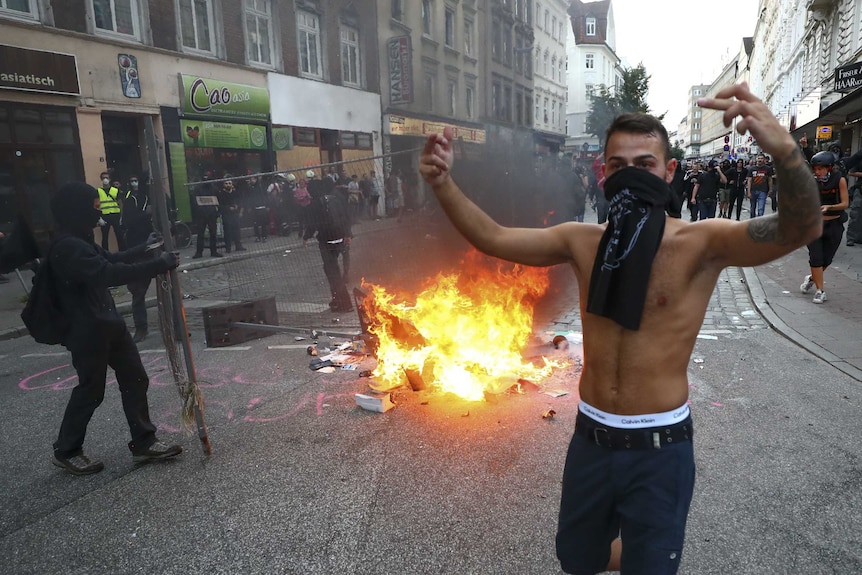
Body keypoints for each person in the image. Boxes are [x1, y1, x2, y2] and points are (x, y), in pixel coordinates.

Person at [419, 82, 822, 574]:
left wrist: (784, 150)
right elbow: (493, 236)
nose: (630, 176)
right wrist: (443, 183)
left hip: (658, 446)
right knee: (577, 558)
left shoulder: (703, 242)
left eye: (645, 165)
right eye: (617, 166)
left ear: (669, 171)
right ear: (602, 171)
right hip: (592, 436)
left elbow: (801, 229)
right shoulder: (583, 241)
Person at [47, 182, 183, 475]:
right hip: (86, 329)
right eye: (94, 207)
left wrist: (145, 249)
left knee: (135, 378)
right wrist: (157, 264)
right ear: (76, 210)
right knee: (91, 390)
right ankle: (67, 449)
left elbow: (110, 259)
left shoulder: (81, 239)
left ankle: (144, 441)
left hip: (108, 323)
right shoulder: (66, 246)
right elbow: (107, 273)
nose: (98, 214)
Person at [799, 151, 850, 304]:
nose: (817, 172)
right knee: (816, 259)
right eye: (815, 169)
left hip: (834, 225)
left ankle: (812, 278)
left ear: (829, 167)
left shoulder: (839, 180)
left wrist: (830, 207)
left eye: (821, 168)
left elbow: (845, 204)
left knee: (826, 260)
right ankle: (820, 291)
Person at [303, 177, 353, 313]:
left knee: (333, 272)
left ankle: (345, 303)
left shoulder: (315, 204)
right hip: (340, 239)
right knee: (331, 270)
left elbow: (312, 224)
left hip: (326, 241)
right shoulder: (335, 199)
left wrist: (306, 237)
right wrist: (347, 234)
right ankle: (336, 300)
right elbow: (346, 217)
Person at [121, 174, 156, 343]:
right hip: (139, 249)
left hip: (158, 247)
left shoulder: (157, 197)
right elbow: (127, 221)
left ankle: (177, 326)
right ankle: (141, 328)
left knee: (170, 290)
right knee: (138, 291)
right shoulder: (133, 199)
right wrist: (145, 214)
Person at [191, 172, 223, 259]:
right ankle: (199, 252)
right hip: (202, 215)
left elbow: (219, 201)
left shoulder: (214, 189)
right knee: (201, 233)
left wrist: (218, 212)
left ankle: (213, 251)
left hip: (211, 214)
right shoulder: (198, 189)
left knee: (213, 233)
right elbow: (194, 202)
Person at [97, 171, 124, 251]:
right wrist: (98, 217)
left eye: (107, 178)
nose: (105, 180)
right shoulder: (98, 191)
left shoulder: (115, 190)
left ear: (110, 179)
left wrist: (121, 217)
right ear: (101, 179)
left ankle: (123, 253)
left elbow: (120, 204)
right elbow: (96, 205)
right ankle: (105, 254)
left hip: (115, 215)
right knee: (104, 238)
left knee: (119, 236)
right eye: (103, 178)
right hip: (104, 216)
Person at [218, 176, 245, 253]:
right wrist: (228, 208)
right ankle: (228, 248)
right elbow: (220, 206)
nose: (228, 185)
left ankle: (238, 246)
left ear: (232, 184)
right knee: (227, 232)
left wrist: (238, 207)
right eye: (226, 183)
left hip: (235, 214)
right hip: (226, 215)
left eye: (229, 183)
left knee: (237, 230)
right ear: (223, 185)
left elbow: (240, 202)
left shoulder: (235, 193)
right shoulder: (221, 194)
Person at [747, 153, 773, 217]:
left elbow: (770, 179)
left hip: (763, 190)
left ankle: (759, 223)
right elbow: (749, 180)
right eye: (759, 158)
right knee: (752, 208)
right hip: (753, 190)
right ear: (756, 159)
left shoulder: (767, 169)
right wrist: (748, 191)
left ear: (764, 160)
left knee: (760, 209)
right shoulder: (752, 169)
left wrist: (770, 189)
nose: (760, 160)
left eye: (761, 158)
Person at [245, 171, 269, 243]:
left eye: (252, 179)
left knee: (263, 224)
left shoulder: (261, 187)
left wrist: (267, 205)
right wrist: (249, 206)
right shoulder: (250, 188)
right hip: (255, 208)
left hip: (262, 207)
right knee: (255, 224)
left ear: (255, 179)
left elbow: (265, 196)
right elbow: (249, 198)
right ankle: (257, 237)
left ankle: (264, 237)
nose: (251, 180)